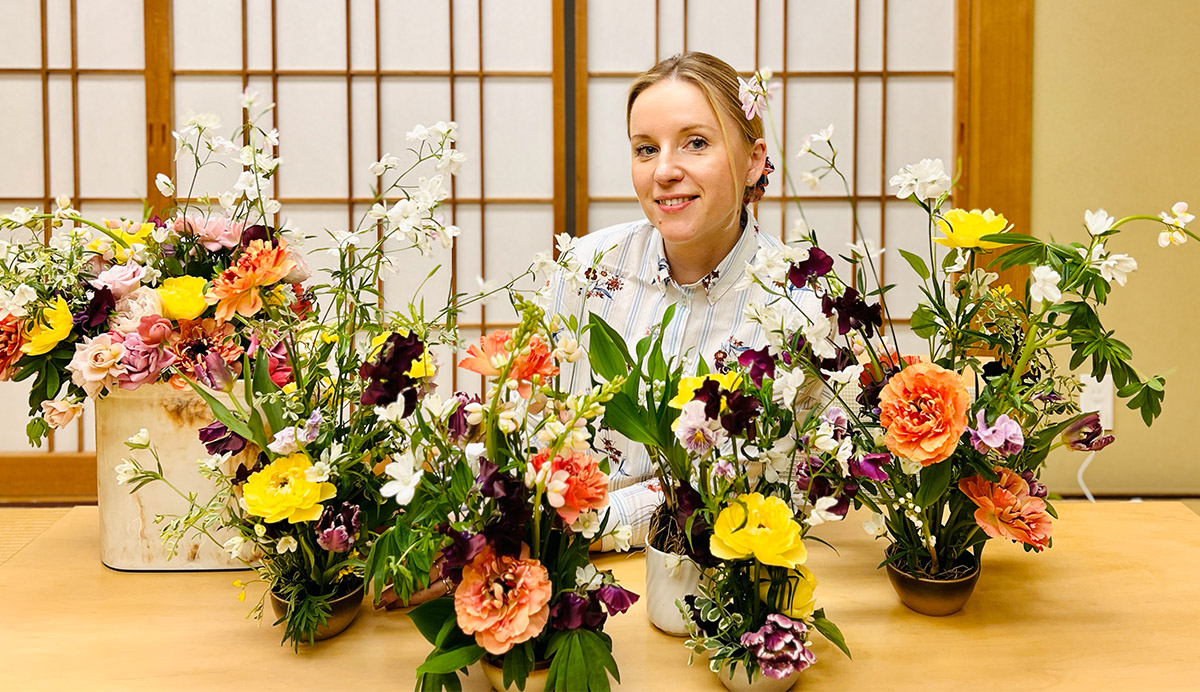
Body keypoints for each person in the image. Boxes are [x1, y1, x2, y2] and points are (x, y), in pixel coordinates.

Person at [542, 52, 822, 551]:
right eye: (645, 149)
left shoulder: (799, 304)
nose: (664, 171)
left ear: (754, 159)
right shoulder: (585, 267)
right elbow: (542, 425)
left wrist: (581, 525)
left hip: (718, 573)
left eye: (695, 143)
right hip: (559, 567)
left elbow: (757, 484)